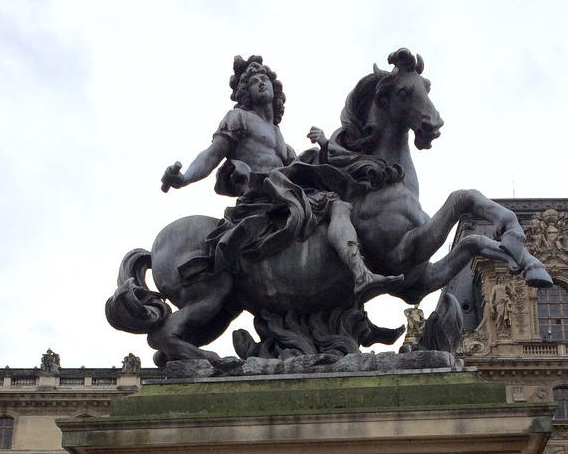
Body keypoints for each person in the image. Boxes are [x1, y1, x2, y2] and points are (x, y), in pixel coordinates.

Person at [161, 54, 402, 299]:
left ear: (275, 91)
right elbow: (211, 155)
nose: (261, 83)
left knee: (338, 198)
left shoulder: (280, 138)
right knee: (336, 205)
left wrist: (325, 145)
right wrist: (184, 178)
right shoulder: (239, 118)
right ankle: (360, 274)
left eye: (265, 79)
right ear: (246, 92)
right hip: (262, 192)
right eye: (254, 81)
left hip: (284, 190)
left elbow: (299, 170)